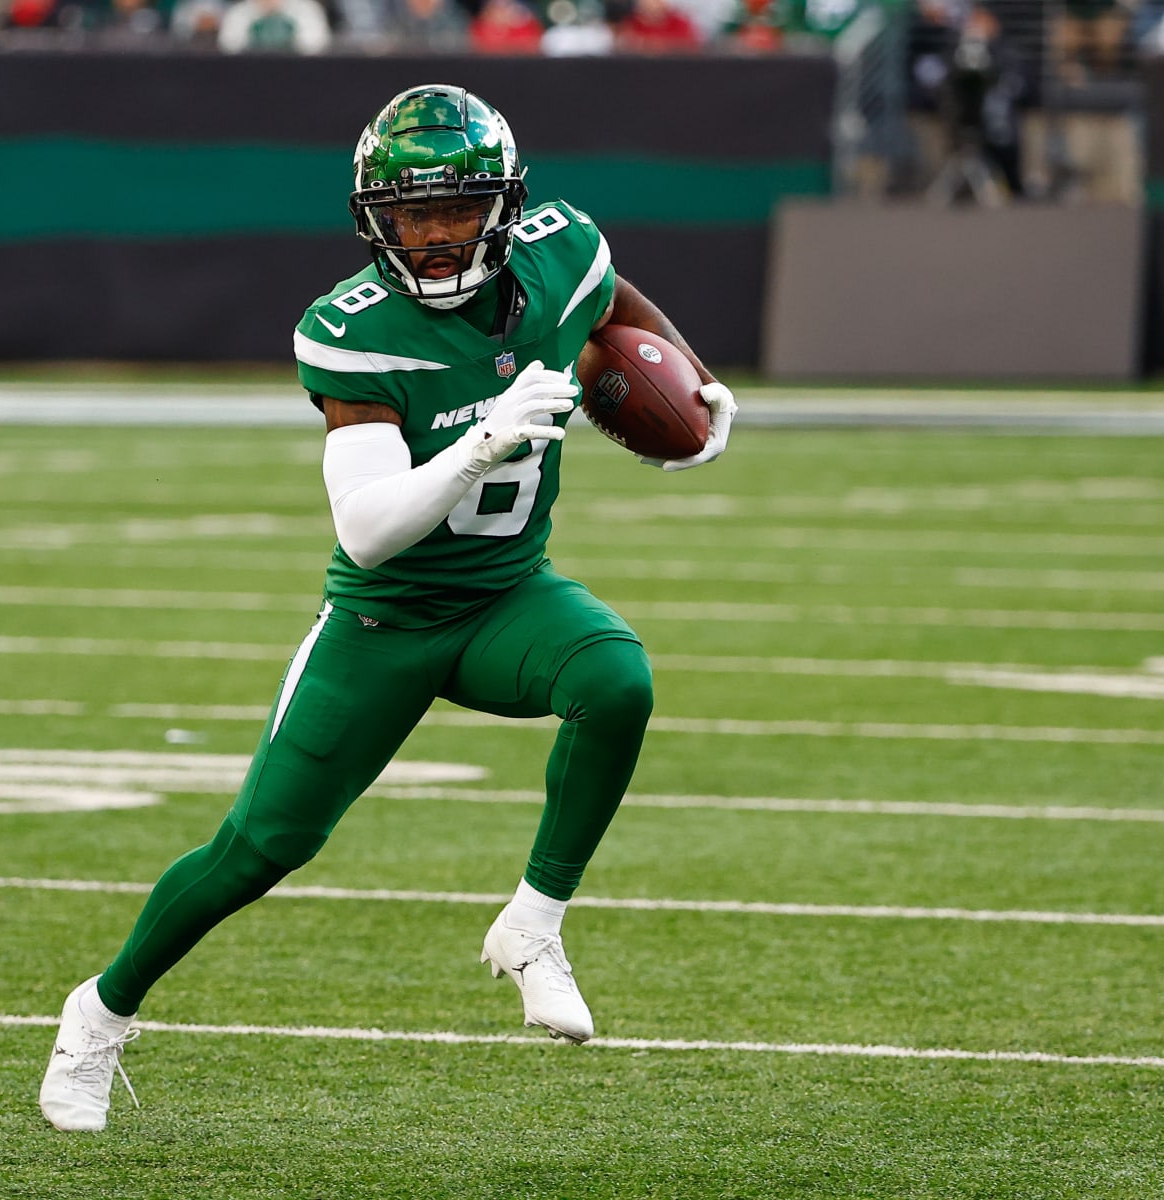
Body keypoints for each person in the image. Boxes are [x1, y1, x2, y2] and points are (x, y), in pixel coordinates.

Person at [39, 83, 737, 1133]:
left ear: (505, 209)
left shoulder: (560, 250)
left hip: (506, 597)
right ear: (377, 220)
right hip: (385, 623)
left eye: (459, 210)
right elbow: (366, 527)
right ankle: (98, 1015)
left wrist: (696, 383)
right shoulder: (352, 330)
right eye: (414, 215)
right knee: (258, 849)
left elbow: (614, 303)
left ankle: (535, 925)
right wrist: (480, 443)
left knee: (616, 678)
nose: (440, 235)